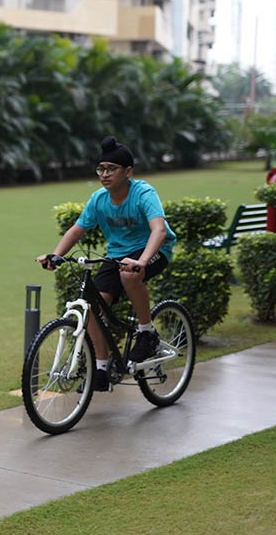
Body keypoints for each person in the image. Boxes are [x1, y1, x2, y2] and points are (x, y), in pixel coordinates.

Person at [36, 136, 177, 392]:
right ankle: (101, 368)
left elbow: (159, 230)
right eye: (100, 169)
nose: (104, 174)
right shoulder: (99, 199)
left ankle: (147, 333)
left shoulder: (143, 193)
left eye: (111, 169)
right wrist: (55, 255)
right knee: (90, 307)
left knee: (129, 276)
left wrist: (142, 261)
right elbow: (77, 230)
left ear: (128, 172)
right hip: (117, 255)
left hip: (153, 250)